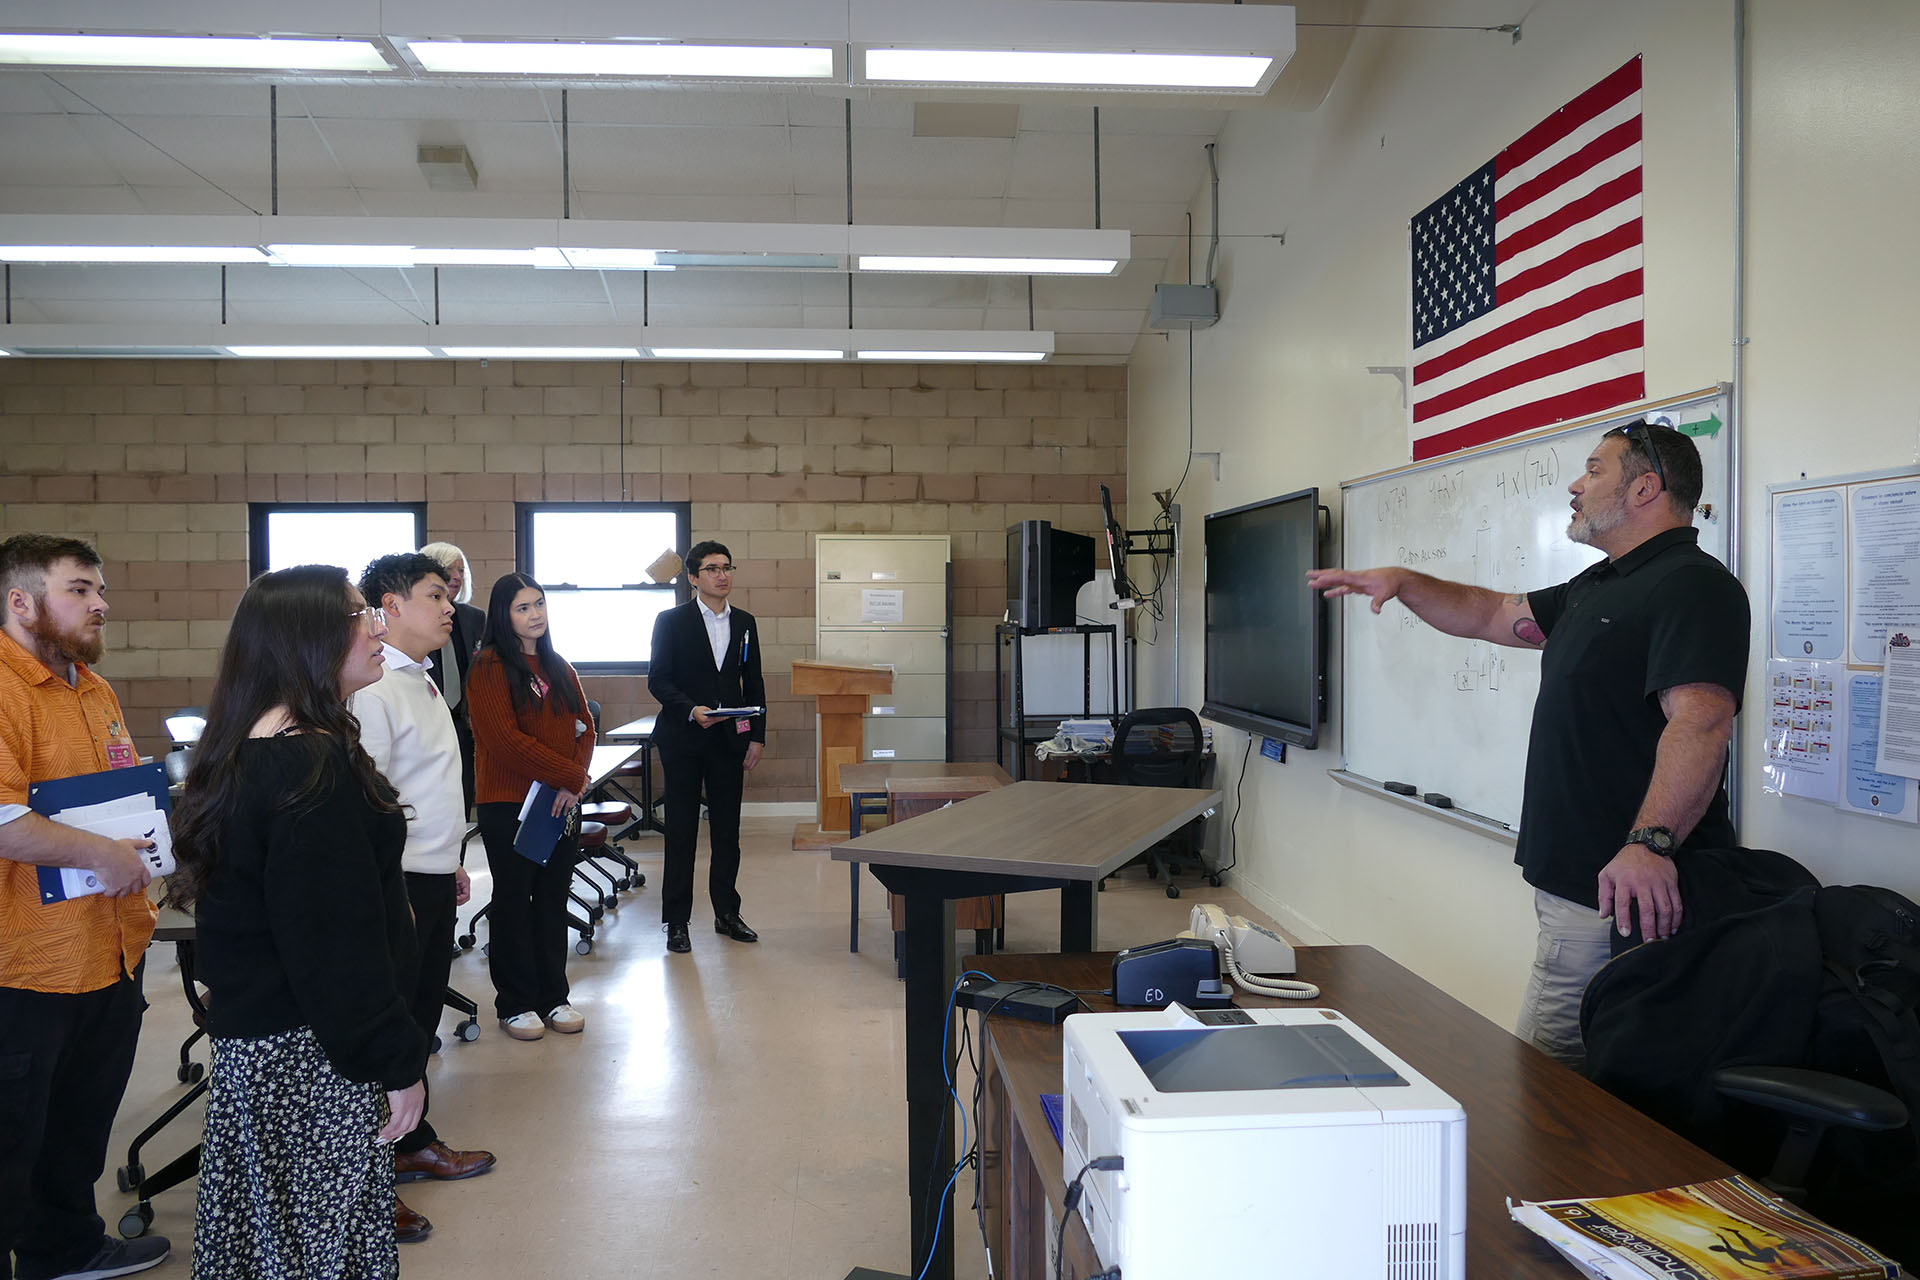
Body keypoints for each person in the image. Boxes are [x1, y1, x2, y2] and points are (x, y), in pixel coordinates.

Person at [1308, 420, 1749, 1069]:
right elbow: (1491, 613)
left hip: (1618, 890)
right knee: (1591, 1084)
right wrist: (1404, 581)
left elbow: (1702, 722)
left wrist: (1649, 843)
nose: (1576, 484)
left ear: (1645, 488)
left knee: (1545, 1085)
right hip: (1582, 883)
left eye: (1596, 470)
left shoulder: (1691, 585)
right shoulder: (1600, 586)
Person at [169, 565, 430, 1277]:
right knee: (319, 1248)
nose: (377, 626)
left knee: (274, 1244)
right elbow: (334, 954)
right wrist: (399, 1061)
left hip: (273, 1048)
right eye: (356, 616)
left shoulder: (254, 747)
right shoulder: (307, 773)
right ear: (305, 640)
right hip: (311, 1059)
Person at [0, 535, 168, 1280]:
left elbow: (118, 796)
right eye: (79, 590)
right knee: (12, 1138)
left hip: (109, 947)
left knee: (78, 1122)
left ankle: (65, 1248)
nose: (100, 604)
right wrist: (101, 853)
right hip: (26, 962)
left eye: (99, 590)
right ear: (20, 601)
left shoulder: (92, 688)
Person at [348, 554, 498, 1229]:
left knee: (419, 1015)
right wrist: (396, 885)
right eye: (435, 595)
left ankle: (409, 1142)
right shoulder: (374, 691)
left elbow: (427, 785)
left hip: (433, 871)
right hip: (400, 882)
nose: (449, 607)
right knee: (394, 1018)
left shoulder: (423, 680)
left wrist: (451, 857)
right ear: (389, 606)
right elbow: (367, 801)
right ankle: (375, 1168)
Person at [468, 573, 593, 1040]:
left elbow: (587, 726)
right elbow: (504, 741)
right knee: (515, 900)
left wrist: (573, 782)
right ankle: (515, 1002)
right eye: (523, 607)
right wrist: (567, 774)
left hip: (560, 805)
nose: (535, 614)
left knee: (553, 898)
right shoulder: (489, 666)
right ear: (504, 614)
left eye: (539, 604)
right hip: (510, 803)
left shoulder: (558, 665)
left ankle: (553, 996)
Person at [647, 540, 766, 955]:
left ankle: (726, 913)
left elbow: (754, 683)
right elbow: (658, 680)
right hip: (683, 738)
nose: (722, 575)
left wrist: (757, 735)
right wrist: (690, 709)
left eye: (727, 567)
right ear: (694, 578)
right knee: (681, 832)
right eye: (712, 568)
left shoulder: (746, 622)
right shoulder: (671, 620)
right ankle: (677, 922)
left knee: (727, 833)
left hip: (728, 741)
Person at [418, 542, 486, 810]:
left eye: (461, 570)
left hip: (464, 724)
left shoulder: (474, 618)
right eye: (449, 569)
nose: (457, 576)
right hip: (427, 722)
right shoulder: (418, 619)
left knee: (463, 798)